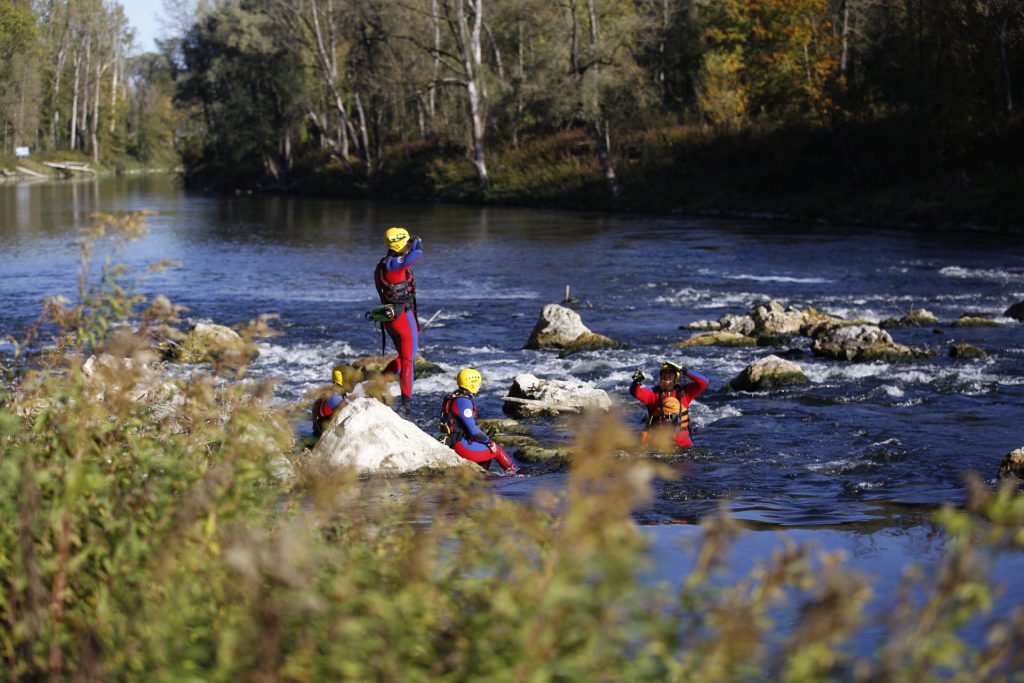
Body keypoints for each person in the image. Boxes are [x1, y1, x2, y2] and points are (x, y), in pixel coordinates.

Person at [374, 226, 423, 416]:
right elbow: (418, 252)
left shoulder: (383, 264)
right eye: (406, 241)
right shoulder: (394, 264)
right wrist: (416, 240)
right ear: (401, 243)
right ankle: (406, 407)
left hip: (390, 319)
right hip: (403, 318)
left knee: (403, 359)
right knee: (408, 361)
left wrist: (409, 241)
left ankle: (377, 385)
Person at [437, 368, 518, 474]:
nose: (479, 386)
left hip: (450, 440)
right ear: (472, 384)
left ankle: (481, 476)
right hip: (458, 445)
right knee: (497, 450)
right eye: (478, 383)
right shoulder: (464, 402)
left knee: (485, 453)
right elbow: (473, 430)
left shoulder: (453, 397)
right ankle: (513, 474)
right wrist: (489, 442)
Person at [629, 361, 709, 448]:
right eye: (663, 374)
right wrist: (637, 381)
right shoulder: (652, 394)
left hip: (683, 444)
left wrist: (683, 369)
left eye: (670, 374)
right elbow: (635, 392)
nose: (666, 376)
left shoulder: (685, 393)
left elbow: (704, 382)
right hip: (659, 445)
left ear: (676, 378)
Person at [311, 366, 349, 438]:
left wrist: (314, 423)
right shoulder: (336, 397)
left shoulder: (329, 392)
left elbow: (315, 405)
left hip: (320, 426)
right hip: (325, 431)